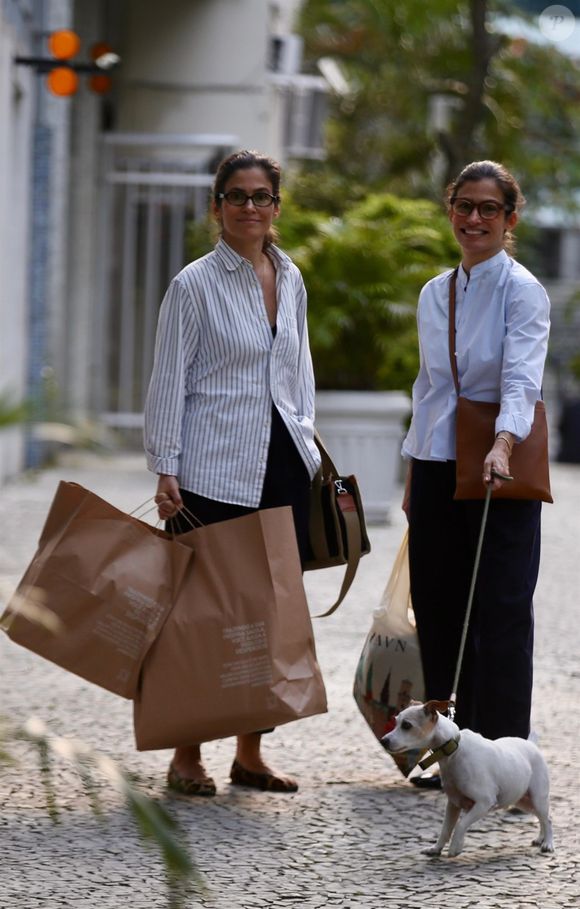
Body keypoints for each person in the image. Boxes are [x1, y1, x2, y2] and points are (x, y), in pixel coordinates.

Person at [143, 149, 320, 796]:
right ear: (216, 206)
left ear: (277, 207)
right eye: (237, 195)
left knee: (268, 618)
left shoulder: (291, 276)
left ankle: (250, 753)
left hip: (281, 469)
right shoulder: (193, 285)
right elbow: (169, 379)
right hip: (211, 472)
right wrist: (166, 465)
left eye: (261, 196)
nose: (250, 206)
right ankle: (186, 755)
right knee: (199, 619)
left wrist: (309, 443)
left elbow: (299, 371)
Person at [401, 160, 550, 787]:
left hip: (497, 466)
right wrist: (412, 470)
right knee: (437, 607)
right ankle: (448, 756)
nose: (475, 218)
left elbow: (521, 377)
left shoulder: (523, 290)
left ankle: (508, 762)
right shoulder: (435, 292)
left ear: (510, 219)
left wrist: (504, 441)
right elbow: (428, 388)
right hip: (436, 460)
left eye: (490, 208)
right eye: (465, 205)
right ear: (451, 211)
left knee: (503, 609)